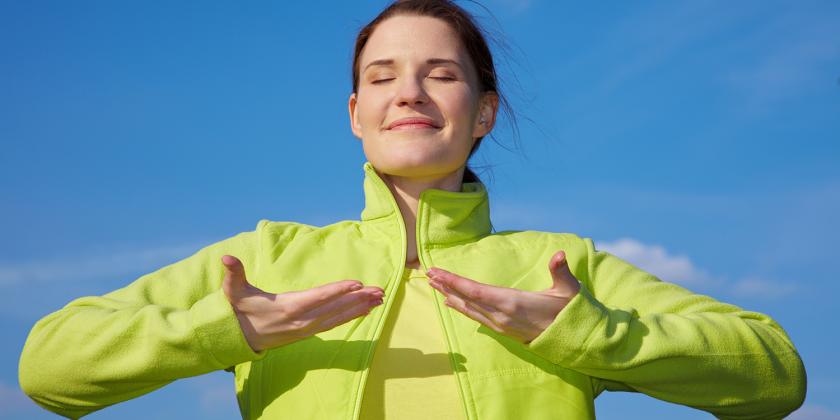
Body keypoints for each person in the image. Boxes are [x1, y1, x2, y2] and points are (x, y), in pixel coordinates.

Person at [19, 1, 806, 419]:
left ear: (485, 112)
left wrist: (584, 332)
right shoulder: (262, 260)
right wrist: (233, 329)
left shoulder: (559, 267)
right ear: (356, 111)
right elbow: (51, 369)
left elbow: (775, 375)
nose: (410, 92)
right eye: (385, 75)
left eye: (441, 73)